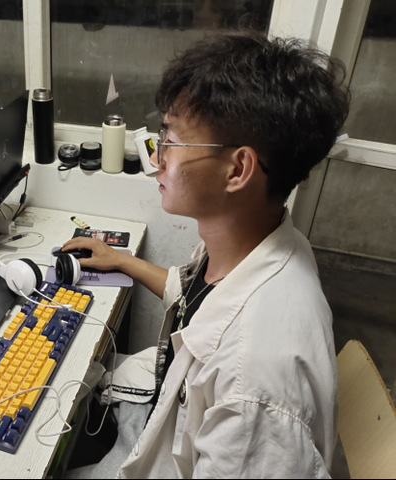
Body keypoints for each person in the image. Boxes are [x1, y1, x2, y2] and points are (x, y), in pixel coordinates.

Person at [61, 32, 350, 478]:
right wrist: (121, 261)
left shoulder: (253, 386)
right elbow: (198, 299)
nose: (157, 159)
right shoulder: (257, 240)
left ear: (238, 169)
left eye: (172, 140)